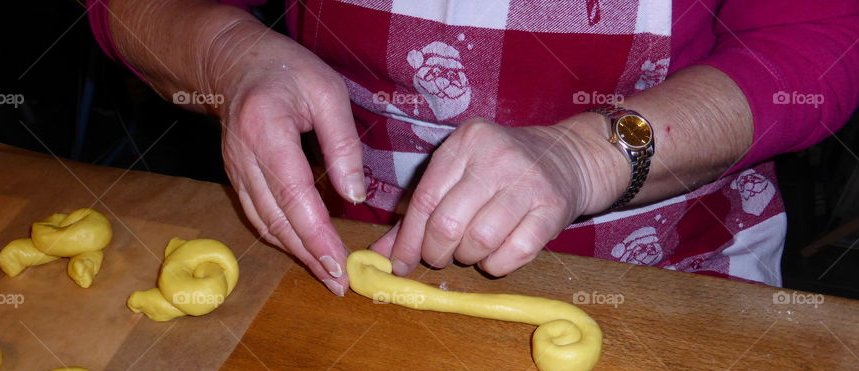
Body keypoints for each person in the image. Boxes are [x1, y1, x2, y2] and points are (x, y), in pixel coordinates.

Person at [88, 0, 859, 295]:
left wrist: (583, 158)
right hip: (349, 251)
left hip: (664, 267)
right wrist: (226, 54)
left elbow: (821, 44)